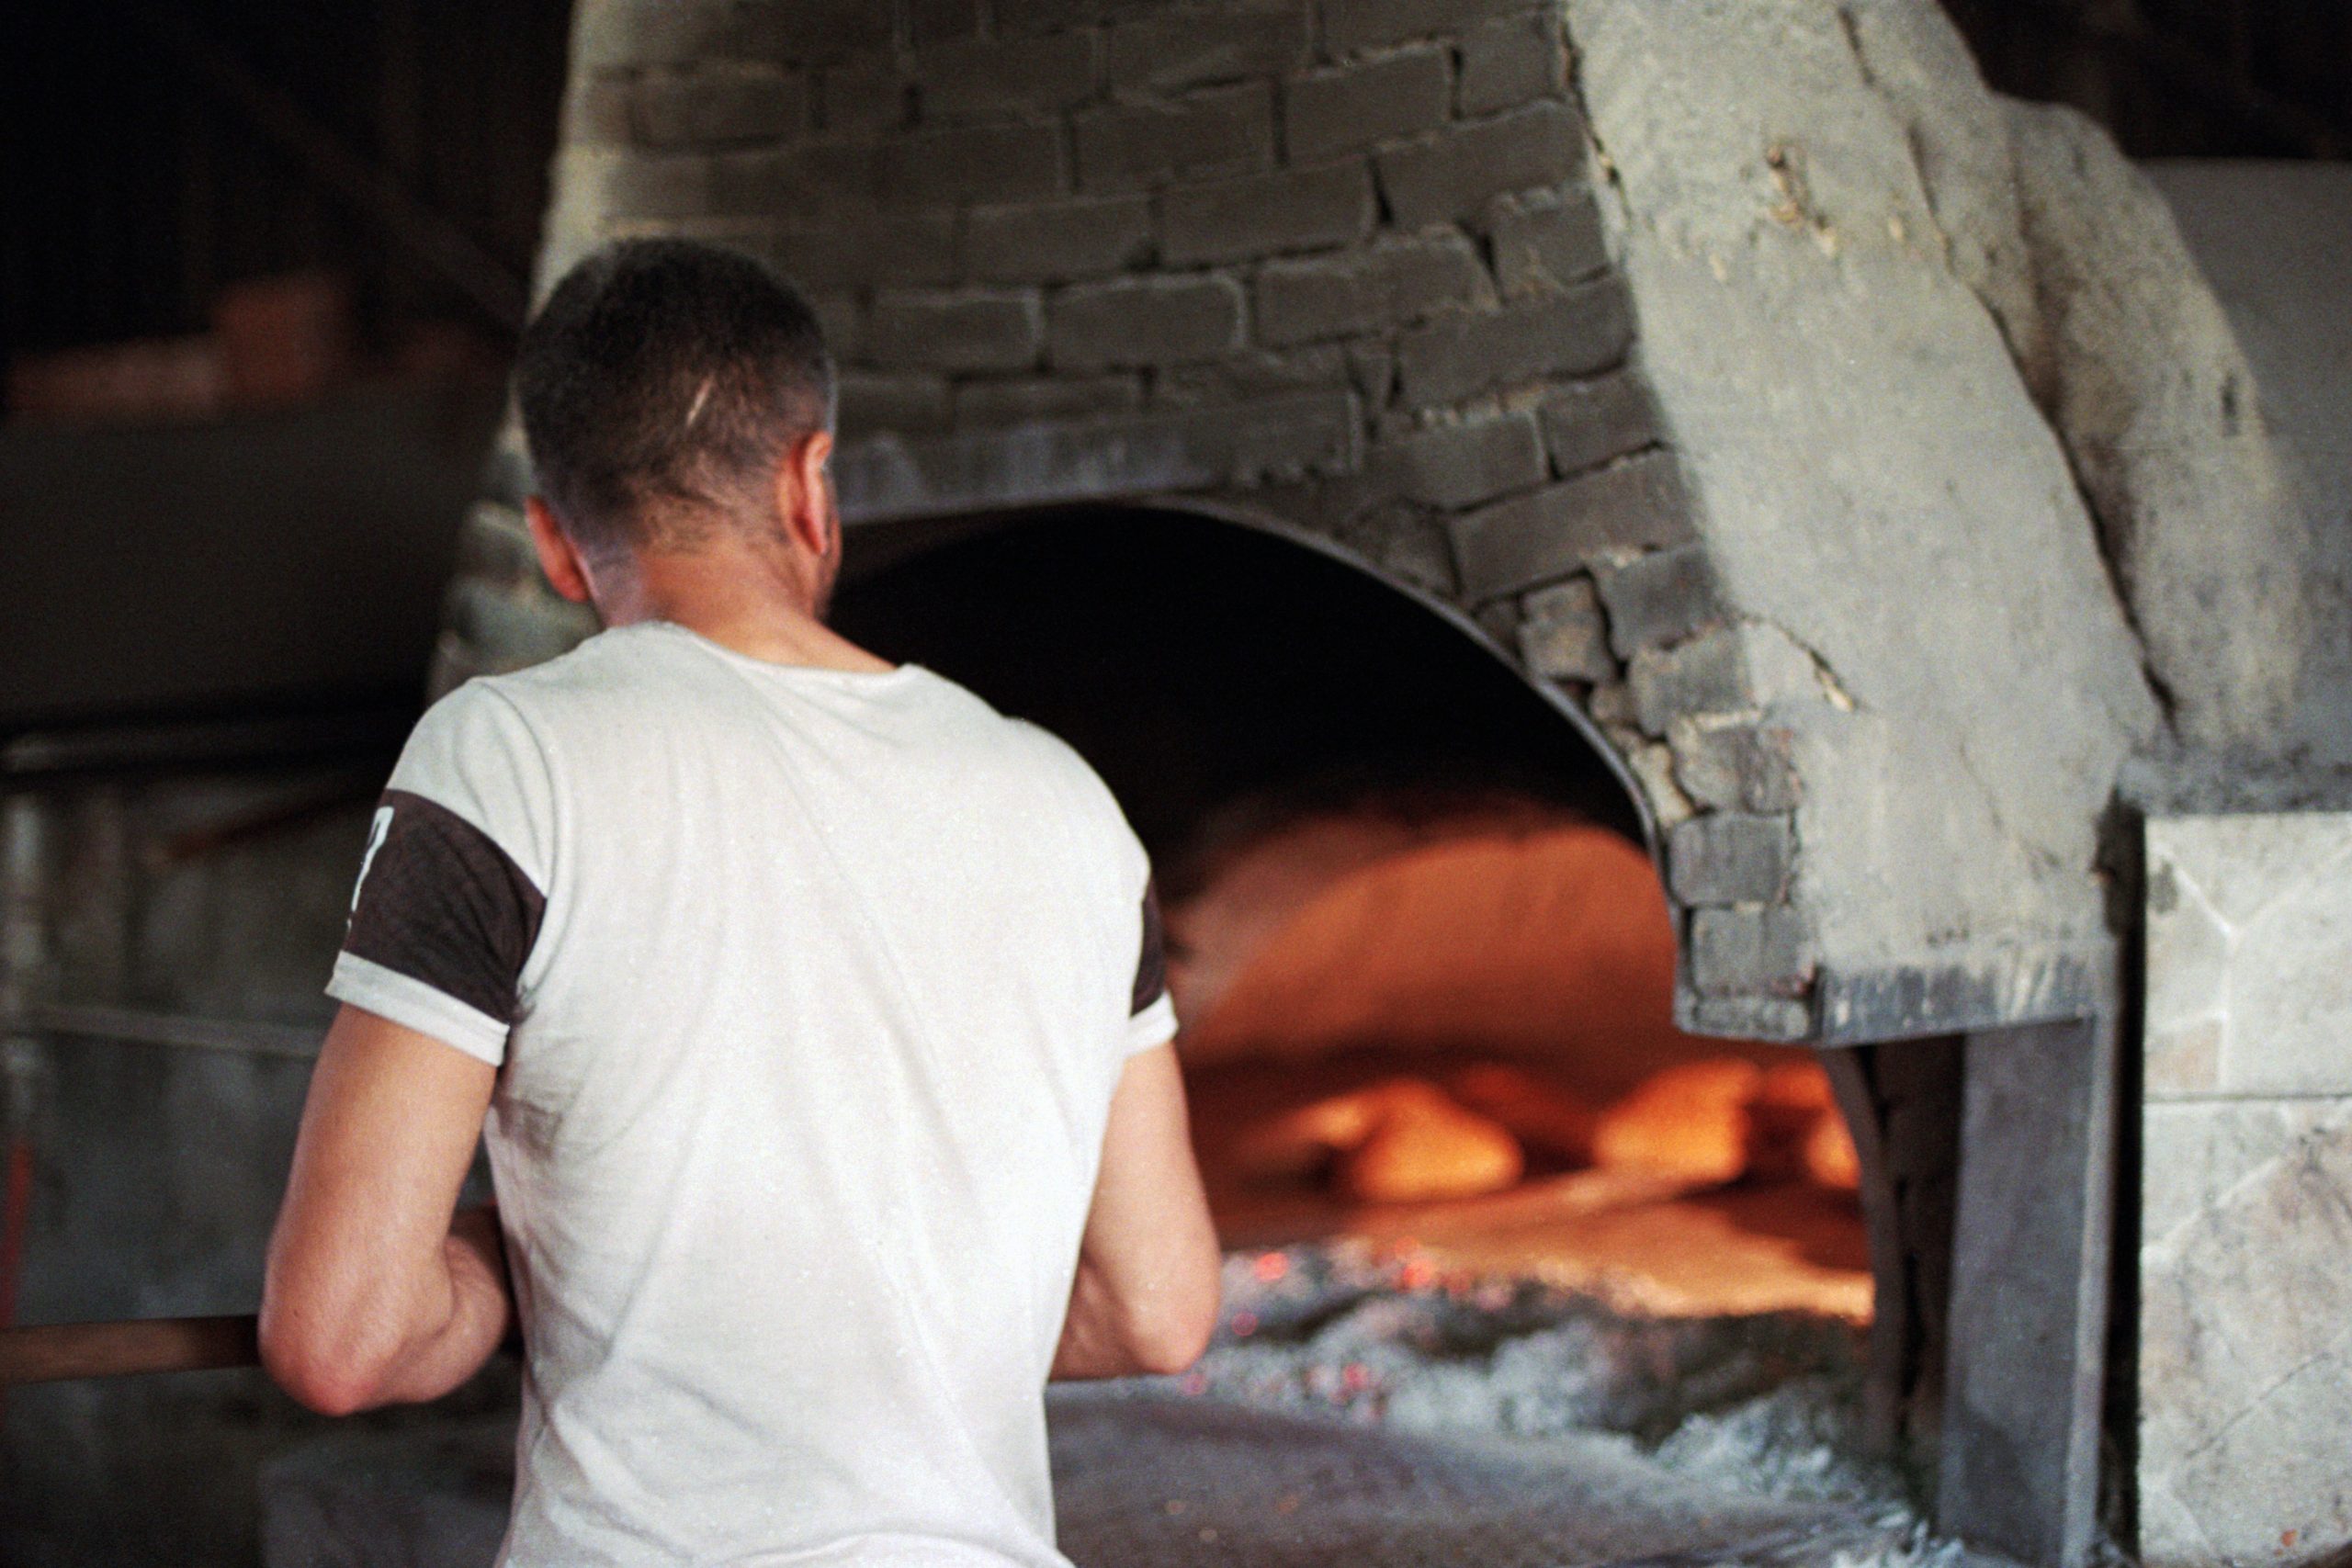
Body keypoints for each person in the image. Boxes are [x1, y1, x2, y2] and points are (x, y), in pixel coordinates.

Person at [258, 238, 1223, 1567]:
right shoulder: (1069, 804)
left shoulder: (507, 762)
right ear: (811, 482)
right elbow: (1158, 1309)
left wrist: (522, 1265)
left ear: (555, 543)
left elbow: (342, 1336)